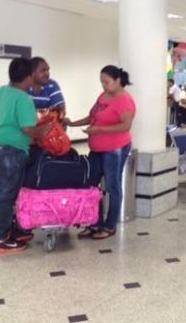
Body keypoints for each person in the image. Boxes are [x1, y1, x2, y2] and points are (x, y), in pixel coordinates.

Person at [0, 58, 51, 254]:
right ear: (29, 76)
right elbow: (28, 128)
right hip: (10, 151)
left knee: (4, 191)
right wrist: (43, 131)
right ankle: (0, 239)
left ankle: (8, 229)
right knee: (6, 195)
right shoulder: (23, 99)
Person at [65, 66, 135, 240]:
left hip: (115, 149)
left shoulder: (124, 100)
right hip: (96, 149)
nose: (103, 85)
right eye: (101, 82)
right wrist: (72, 124)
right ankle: (94, 222)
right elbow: (92, 117)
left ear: (118, 81)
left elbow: (125, 126)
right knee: (91, 184)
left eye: (107, 82)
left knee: (112, 186)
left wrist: (99, 130)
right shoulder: (103, 96)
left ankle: (110, 225)